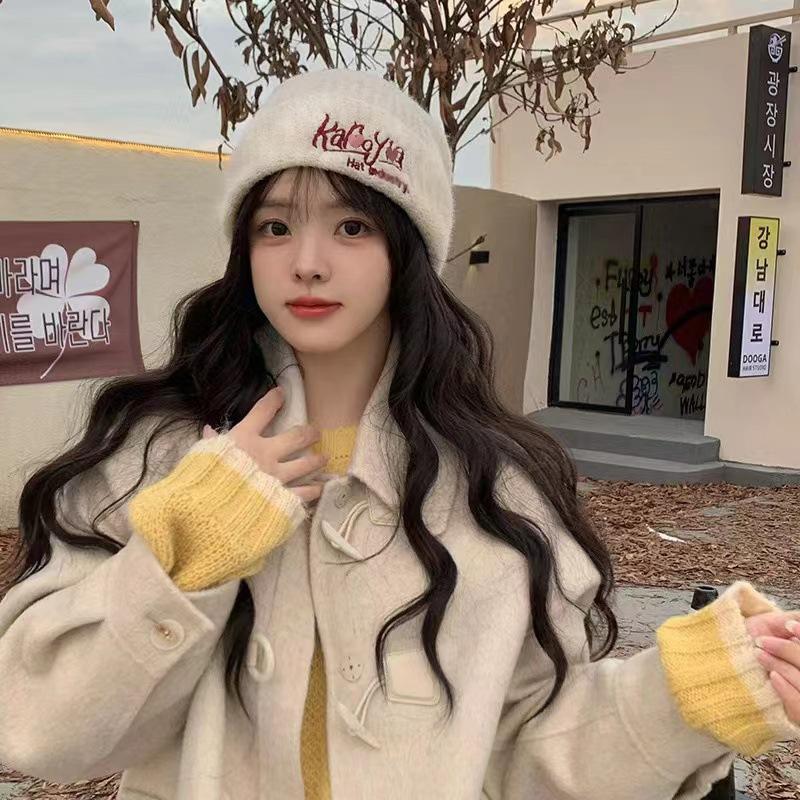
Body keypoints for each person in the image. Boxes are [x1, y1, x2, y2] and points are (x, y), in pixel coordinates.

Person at [0, 67, 798, 800]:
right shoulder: (164, 451)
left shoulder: (496, 486)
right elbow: (42, 731)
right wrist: (187, 548)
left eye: (352, 226)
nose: (307, 262)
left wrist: (685, 697)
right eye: (274, 227)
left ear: (408, 249)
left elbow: (526, 755)